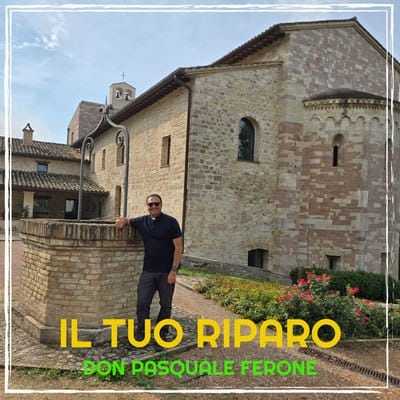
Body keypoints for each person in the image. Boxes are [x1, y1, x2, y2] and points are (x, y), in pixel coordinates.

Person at [116, 194, 183, 340]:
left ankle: (162, 332)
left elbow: (178, 248)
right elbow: (128, 221)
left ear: (161, 205)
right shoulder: (142, 221)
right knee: (142, 303)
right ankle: (142, 332)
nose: (153, 206)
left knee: (166, 305)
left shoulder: (171, 222)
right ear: (147, 206)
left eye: (156, 204)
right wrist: (122, 221)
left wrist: (173, 271)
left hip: (166, 272)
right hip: (148, 271)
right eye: (150, 204)